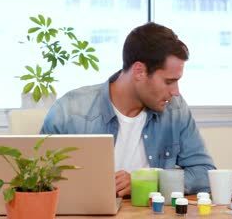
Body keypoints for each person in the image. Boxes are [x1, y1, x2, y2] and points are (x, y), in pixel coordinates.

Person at [41, 22, 216, 197]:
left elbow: (204, 174)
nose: (175, 92)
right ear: (139, 71)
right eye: (169, 81)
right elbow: (38, 180)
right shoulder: (70, 111)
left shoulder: (175, 110)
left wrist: (149, 183)